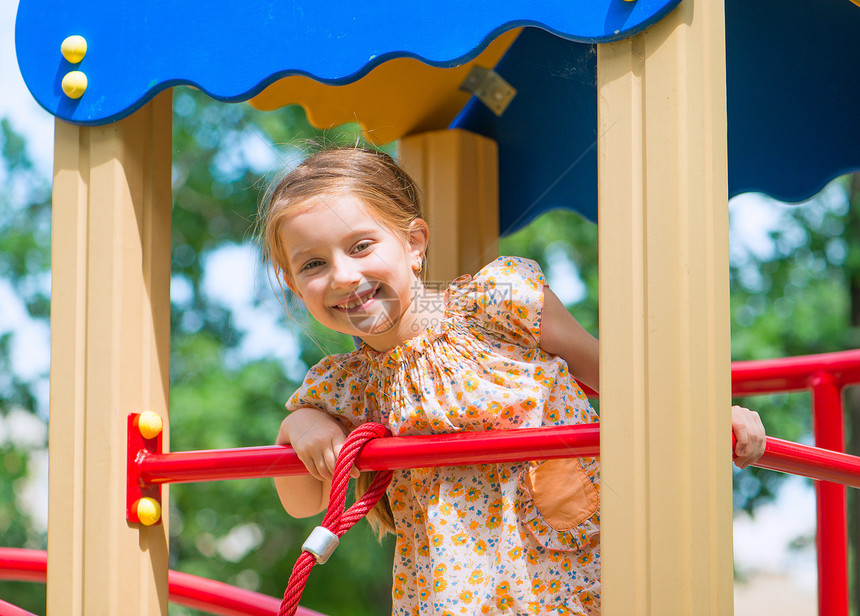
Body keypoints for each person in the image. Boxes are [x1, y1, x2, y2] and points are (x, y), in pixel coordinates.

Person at [260, 146, 766, 615]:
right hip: (452, 596)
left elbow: (610, 374)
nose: (343, 276)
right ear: (293, 283)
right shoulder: (347, 387)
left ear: (414, 243)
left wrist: (704, 415)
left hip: (571, 576)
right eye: (314, 264)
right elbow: (302, 502)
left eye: (361, 246)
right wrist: (299, 427)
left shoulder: (498, 303)